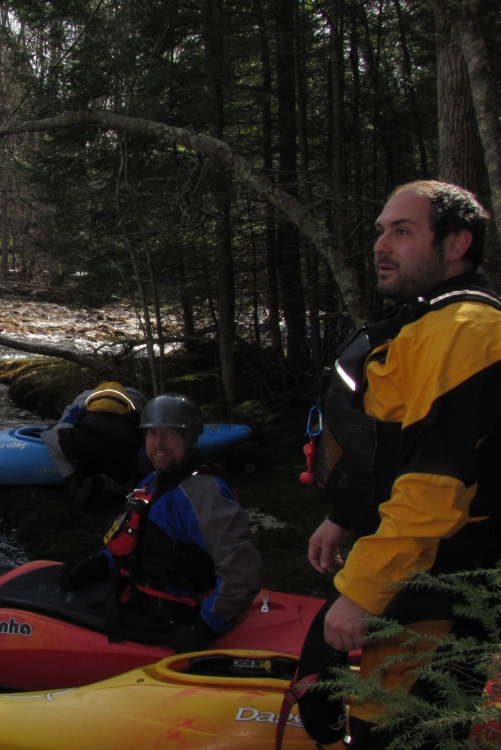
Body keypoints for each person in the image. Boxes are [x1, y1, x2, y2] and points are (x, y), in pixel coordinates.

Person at [299, 181, 501, 748]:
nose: (381, 246)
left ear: (457, 242)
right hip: (412, 567)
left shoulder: (468, 333)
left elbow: (435, 486)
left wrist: (362, 592)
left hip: (447, 577)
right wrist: (345, 513)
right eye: (381, 232)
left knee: (393, 731)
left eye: (402, 232)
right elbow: (391, 445)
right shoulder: (425, 326)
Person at [60, 393, 262, 652]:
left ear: (190, 439)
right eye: (152, 434)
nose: (159, 444)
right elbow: (138, 543)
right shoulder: (155, 481)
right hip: (142, 599)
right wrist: (100, 564)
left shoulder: (203, 494)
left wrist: (203, 629)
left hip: (176, 620)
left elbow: (243, 572)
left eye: (171, 434)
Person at [41, 382, 147, 504]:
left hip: (88, 436)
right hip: (121, 445)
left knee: (49, 434)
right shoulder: (138, 402)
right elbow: (142, 437)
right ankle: (98, 483)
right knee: (128, 482)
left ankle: (73, 481)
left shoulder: (83, 399)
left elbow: (65, 423)